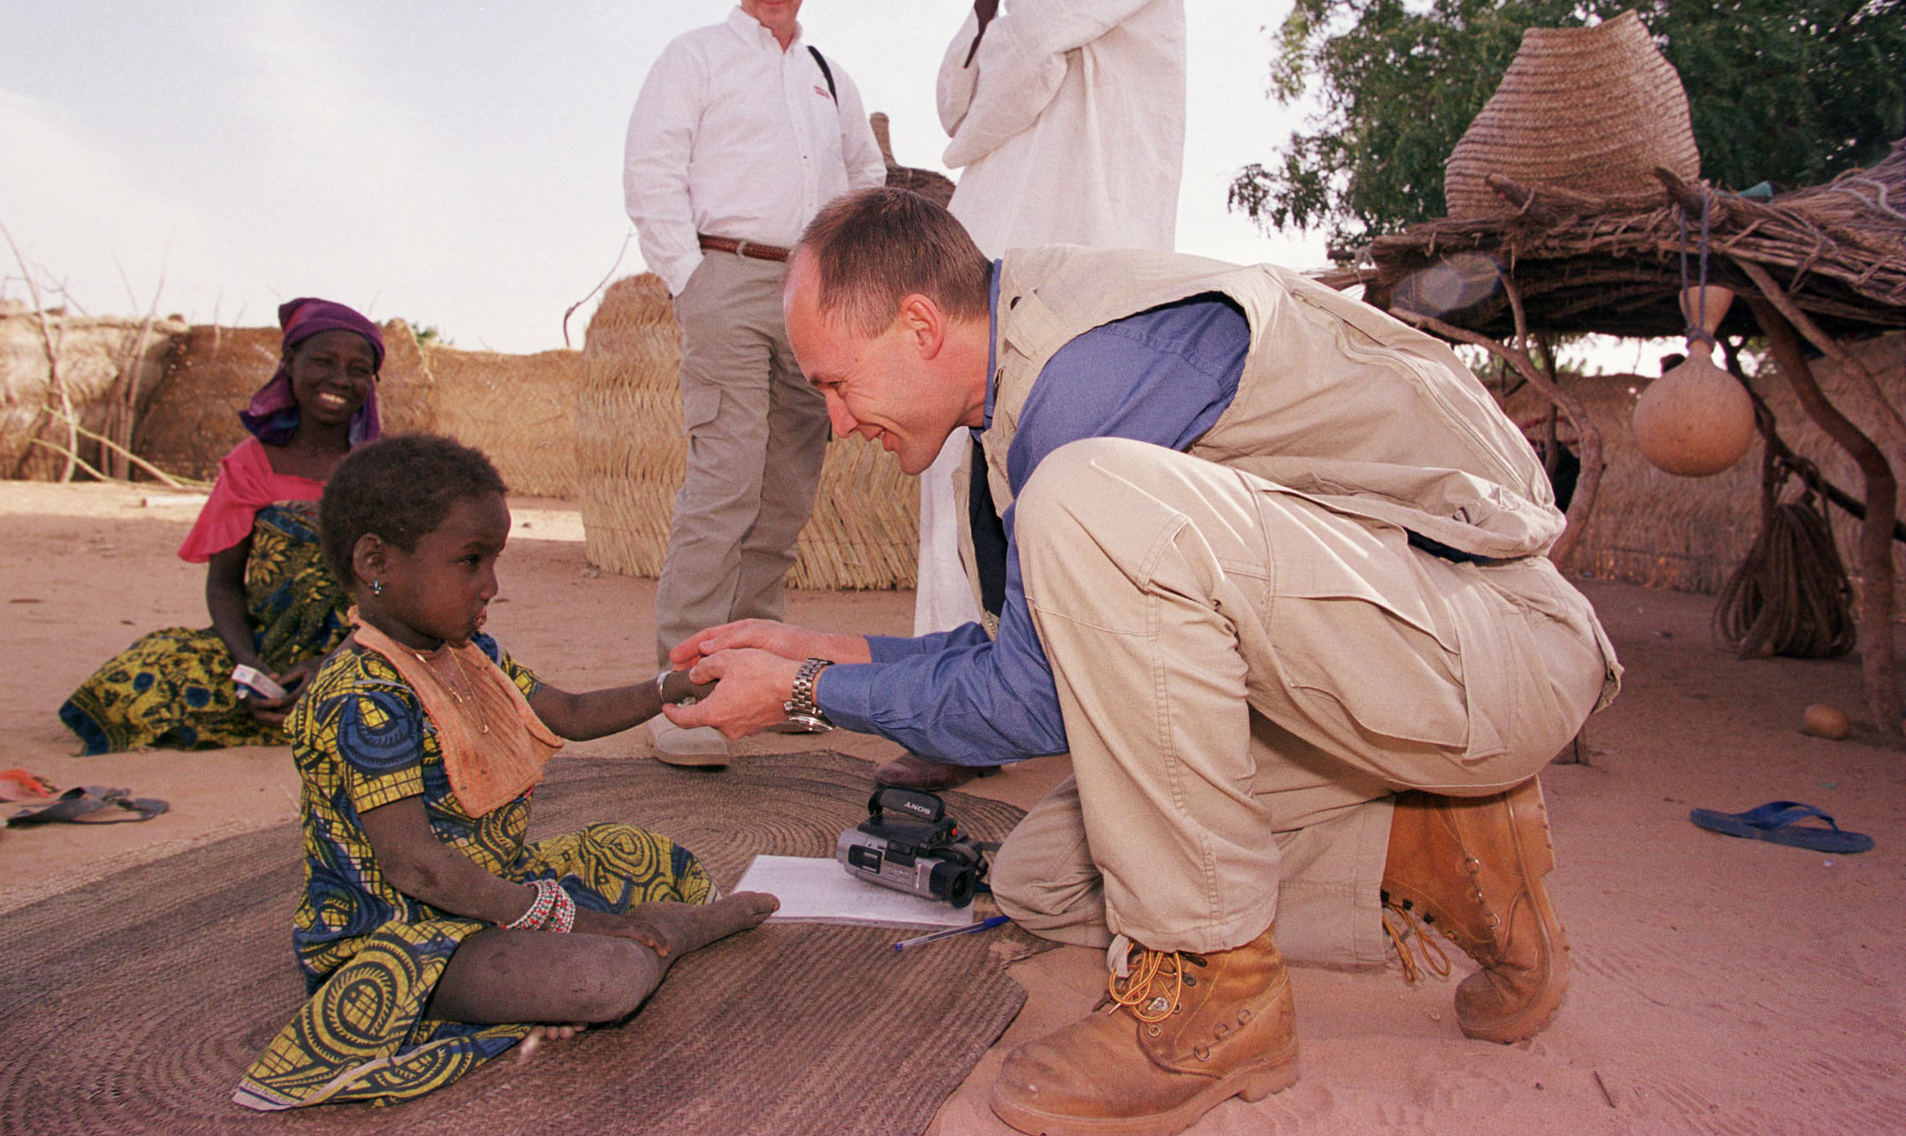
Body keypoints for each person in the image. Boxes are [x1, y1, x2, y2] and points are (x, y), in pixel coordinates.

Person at [662, 189, 1621, 1136]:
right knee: (1046, 880)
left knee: (1085, 501)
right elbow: (1039, 653)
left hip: (1495, 651)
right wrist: (828, 651)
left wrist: (805, 694)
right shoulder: (1016, 391)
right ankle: (1433, 847)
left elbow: (1030, 703)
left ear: (918, 326)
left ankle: (1217, 988)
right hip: (1387, 662)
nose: (835, 423)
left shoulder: (1088, 383)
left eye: (835, 384)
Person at [234, 435, 776, 1111]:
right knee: (605, 976)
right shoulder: (363, 697)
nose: (491, 584)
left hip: (492, 891)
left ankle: (620, 939)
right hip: (400, 937)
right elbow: (418, 869)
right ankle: (675, 931)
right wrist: (563, 917)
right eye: (471, 561)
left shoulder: (468, 654)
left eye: (493, 561)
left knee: (639, 849)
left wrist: (675, 685)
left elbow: (569, 713)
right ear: (375, 562)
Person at [899, 0, 1185, 791]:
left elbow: (1008, 75)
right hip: (996, 262)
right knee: (960, 475)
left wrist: (997, 63)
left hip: (1088, 260)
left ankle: (1074, 709)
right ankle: (959, 713)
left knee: (1069, 482)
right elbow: (957, 101)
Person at [623, 0, 887, 769]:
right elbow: (651, 168)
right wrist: (691, 279)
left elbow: (866, 174)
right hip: (726, 279)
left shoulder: (829, 77)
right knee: (725, 483)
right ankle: (682, 695)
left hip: (813, 296)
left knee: (783, 498)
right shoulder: (694, 57)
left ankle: (758, 683)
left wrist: (846, 274)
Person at [59, 298, 386, 754]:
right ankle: (283, 704)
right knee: (138, 676)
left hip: (363, 647)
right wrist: (248, 668)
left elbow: (400, 591)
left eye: (358, 369)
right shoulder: (250, 464)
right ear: (290, 363)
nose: (340, 379)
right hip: (267, 647)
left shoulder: (385, 470)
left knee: (403, 696)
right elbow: (225, 583)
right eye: (323, 362)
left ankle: (325, 699)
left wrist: (330, 664)